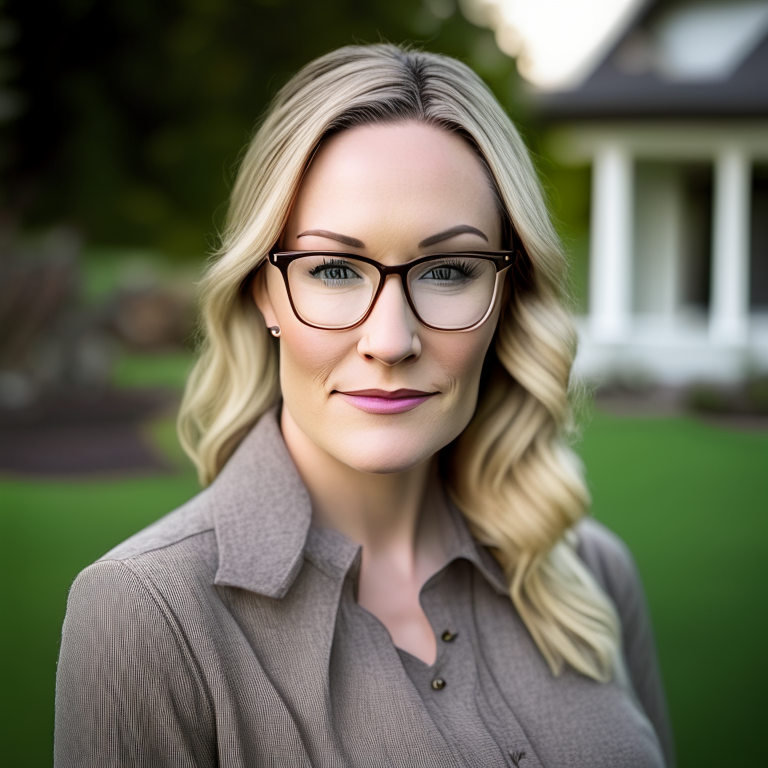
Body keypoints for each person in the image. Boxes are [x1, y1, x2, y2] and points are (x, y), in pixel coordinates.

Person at [54, 44, 675, 768]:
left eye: (449, 270)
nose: (391, 339)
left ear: (507, 297)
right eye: (335, 269)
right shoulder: (147, 615)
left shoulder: (590, 574)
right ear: (266, 293)